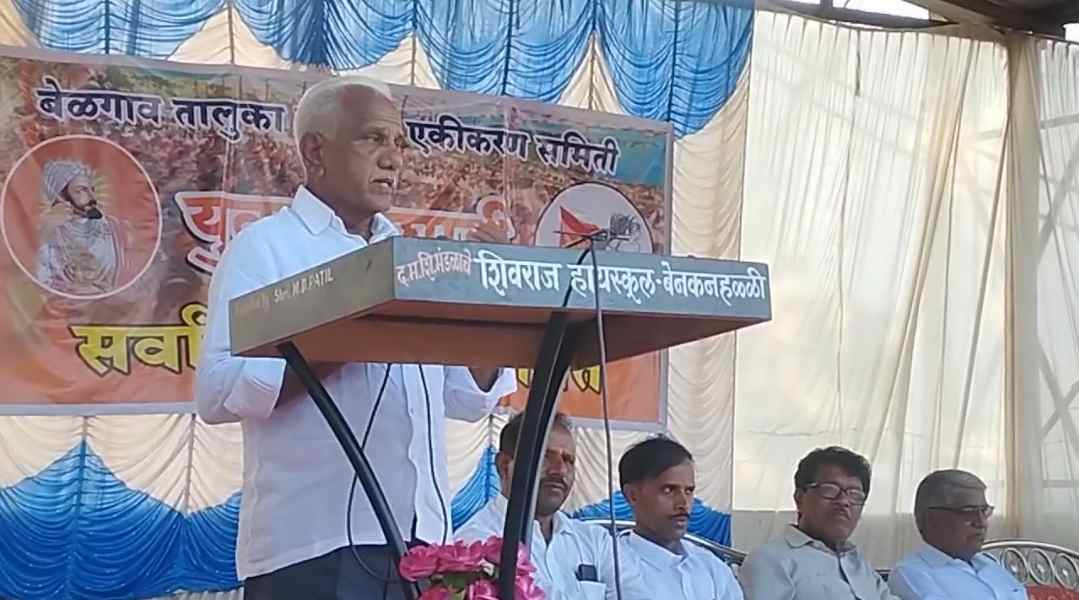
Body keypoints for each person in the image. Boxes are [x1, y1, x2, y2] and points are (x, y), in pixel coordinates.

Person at [195, 75, 517, 600]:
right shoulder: (266, 248)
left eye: (400, 143)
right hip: (313, 549)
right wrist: (347, 333)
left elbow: (465, 397)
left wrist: (486, 302)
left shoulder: (410, 259)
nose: (393, 158)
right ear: (315, 152)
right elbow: (216, 391)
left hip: (421, 545)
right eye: (374, 138)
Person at [455, 411, 650, 600]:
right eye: (545, 457)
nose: (560, 469)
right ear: (505, 465)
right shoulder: (475, 543)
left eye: (568, 460)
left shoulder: (595, 541)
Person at [740, 446, 897, 600]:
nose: (843, 501)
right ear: (800, 498)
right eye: (830, 489)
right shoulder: (770, 561)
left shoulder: (861, 567)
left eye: (854, 494)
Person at [617, 436, 743, 600]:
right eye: (669, 490)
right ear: (632, 495)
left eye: (688, 491)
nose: (683, 503)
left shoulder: (712, 568)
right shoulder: (615, 567)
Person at [889, 470, 1027, 599]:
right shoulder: (912, 574)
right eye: (969, 511)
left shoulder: (989, 564)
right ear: (932, 520)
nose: (981, 523)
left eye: (984, 511)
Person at [35, 160, 132, 296]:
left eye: (92, 189)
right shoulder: (50, 234)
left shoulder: (116, 228)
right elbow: (42, 280)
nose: (92, 197)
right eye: (81, 190)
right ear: (61, 197)